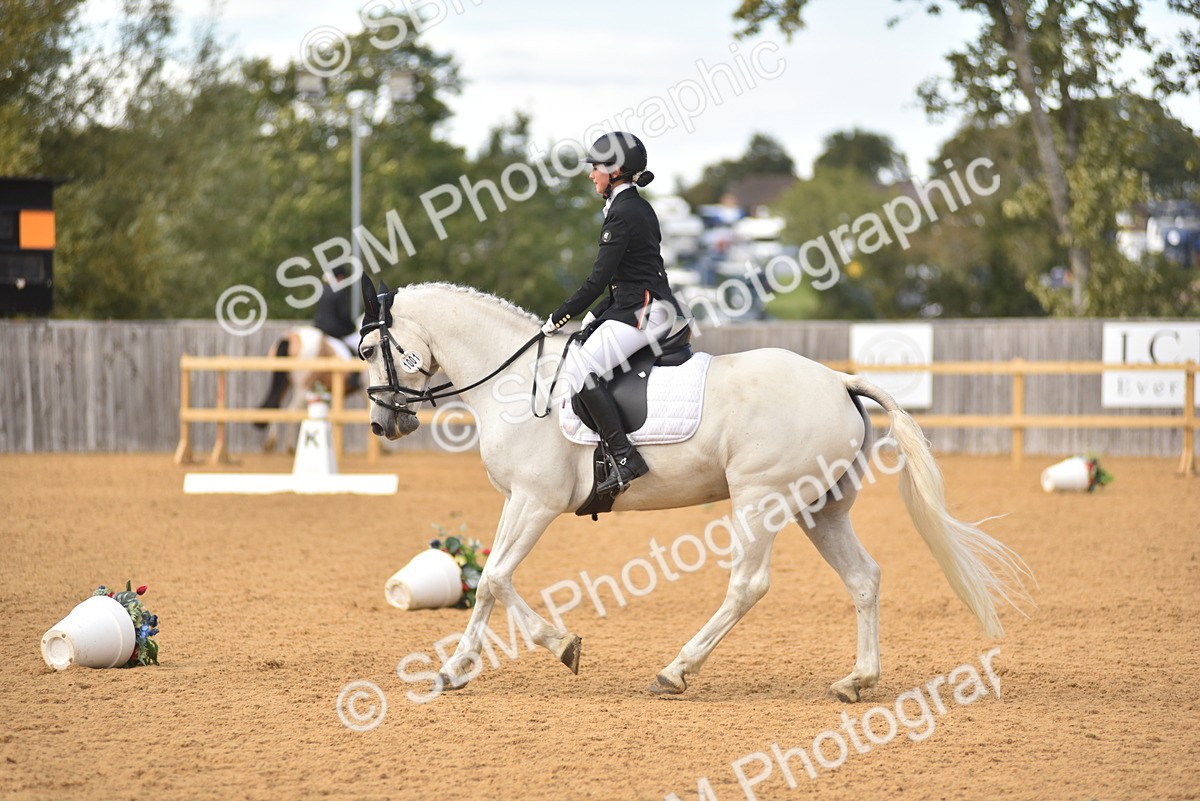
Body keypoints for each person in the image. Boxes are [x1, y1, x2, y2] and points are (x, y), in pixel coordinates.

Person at [541, 131, 685, 496]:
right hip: (638, 304)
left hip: (646, 311)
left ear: (616, 170)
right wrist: (597, 316)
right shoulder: (631, 207)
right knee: (581, 354)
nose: (591, 174)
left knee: (580, 369)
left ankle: (624, 456)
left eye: (596, 167)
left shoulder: (624, 212)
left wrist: (559, 315)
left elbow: (597, 280)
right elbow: (624, 279)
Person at [312, 265, 359, 358]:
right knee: (360, 345)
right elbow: (344, 315)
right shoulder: (340, 291)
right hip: (335, 332)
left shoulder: (322, 290)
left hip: (319, 330)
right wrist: (353, 327)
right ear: (340, 277)